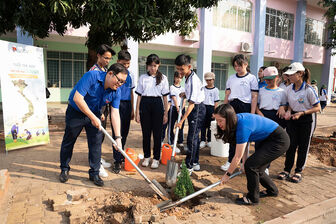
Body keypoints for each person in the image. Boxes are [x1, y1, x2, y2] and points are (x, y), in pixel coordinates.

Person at [59, 63, 127, 187]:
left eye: (123, 82)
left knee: (96, 143)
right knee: (69, 141)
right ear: (110, 74)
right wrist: (92, 117)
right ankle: (64, 168)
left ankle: (94, 173)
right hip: (76, 111)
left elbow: (115, 113)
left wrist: (118, 138)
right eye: (119, 81)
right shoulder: (92, 76)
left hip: (95, 113)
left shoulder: (117, 91)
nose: (120, 84)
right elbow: (78, 98)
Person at [214, 104, 289, 205]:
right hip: (268, 139)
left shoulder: (242, 126)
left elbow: (237, 156)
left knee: (251, 166)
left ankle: (252, 198)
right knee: (257, 167)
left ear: (228, 118)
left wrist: (227, 174)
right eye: (217, 120)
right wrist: (243, 163)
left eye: (220, 120)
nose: (218, 124)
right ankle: (272, 191)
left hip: (279, 140)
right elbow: (244, 145)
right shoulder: (236, 121)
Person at [278, 62, 321, 183]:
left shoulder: (309, 90)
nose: (289, 77)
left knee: (303, 146)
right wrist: (288, 111)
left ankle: (298, 171)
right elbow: (288, 104)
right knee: (290, 145)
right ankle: (287, 169)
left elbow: (318, 107)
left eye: (291, 75)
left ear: (300, 74)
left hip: (306, 119)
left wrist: (302, 113)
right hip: (293, 119)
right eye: (288, 75)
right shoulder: (289, 89)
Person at [221, 54, 259, 171]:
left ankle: (244, 162)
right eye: (235, 66)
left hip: (245, 106)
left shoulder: (251, 78)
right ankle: (230, 160)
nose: (237, 68)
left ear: (246, 65)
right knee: (231, 133)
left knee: (244, 134)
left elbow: (254, 97)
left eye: (240, 65)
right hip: (233, 105)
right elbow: (227, 95)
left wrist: (252, 114)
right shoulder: (231, 78)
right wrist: (223, 109)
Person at [135, 54, 169, 169]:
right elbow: (139, 96)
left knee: (157, 134)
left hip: (157, 105)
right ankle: (146, 156)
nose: (153, 68)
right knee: (146, 133)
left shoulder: (163, 78)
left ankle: (156, 158)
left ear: (158, 65)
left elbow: (165, 98)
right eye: (150, 66)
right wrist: (137, 112)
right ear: (147, 66)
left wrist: (166, 113)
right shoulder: (143, 78)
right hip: (145, 104)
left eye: (155, 65)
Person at [89, 44, 116, 178]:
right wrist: (98, 113)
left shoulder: (105, 70)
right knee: (96, 138)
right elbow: (94, 95)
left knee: (101, 136)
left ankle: (98, 159)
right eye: (105, 58)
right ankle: (96, 166)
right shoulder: (93, 71)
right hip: (95, 109)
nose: (107, 61)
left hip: (102, 109)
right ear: (98, 56)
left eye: (109, 59)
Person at [175, 54, 205, 172]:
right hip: (196, 106)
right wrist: (185, 94)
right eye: (178, 69)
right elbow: (193, 94)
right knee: (194, 137)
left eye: (182, 69)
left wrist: (181, 121)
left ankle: (189, 165)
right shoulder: (188, 76)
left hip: (197, 109)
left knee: (191, 138)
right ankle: (195, 161)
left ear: (189, 66)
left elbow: (192, 104)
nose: (180, 71)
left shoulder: (192, 79)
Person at [111, 50, 135, 174]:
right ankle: (117, 160)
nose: (126, 66)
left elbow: (131, 92)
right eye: (124, 63)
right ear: (118, 62)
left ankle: (120, 155)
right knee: (117, 132)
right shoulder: (112, 75)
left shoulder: (130, 76)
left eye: (128, 64)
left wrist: (132, 109)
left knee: (124, 132)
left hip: (127, 105)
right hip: (116, 105)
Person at [200, 72, 220, 149]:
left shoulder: (215, 90)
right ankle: (202, 140)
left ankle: (209, 140)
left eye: (210, 80)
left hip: (211, 108)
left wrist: (215, 113)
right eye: (207, 80)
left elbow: (216, 102)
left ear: (213, 80)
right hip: (203, 107)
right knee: (203, 125)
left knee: (210, 125)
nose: (208, 82)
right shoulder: (203, 89)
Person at [168, 71, 185, 149]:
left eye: (180, 78)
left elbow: (184, 100)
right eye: (177, 77)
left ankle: (180, 141)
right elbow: (174, 98)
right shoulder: (172, 87)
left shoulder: (183, 89)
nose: (179, 79)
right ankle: (171, 141)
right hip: (174, 108)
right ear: (174, 78)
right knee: (171, 125)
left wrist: (182, 109)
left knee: (181, 125)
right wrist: (178, 109)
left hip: (182, 108)